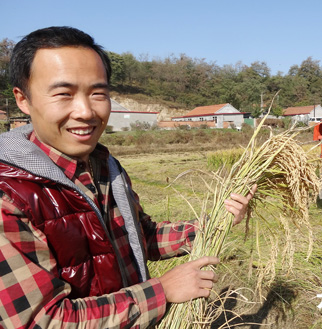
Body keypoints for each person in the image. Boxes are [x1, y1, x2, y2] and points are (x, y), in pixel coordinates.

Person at [0, 26, 256, 328]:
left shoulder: (105, 167)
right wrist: (161, 291)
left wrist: (218, 221)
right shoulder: (9, 193)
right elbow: (41, 321)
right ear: (23, 99)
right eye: (63, 94)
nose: (85, 111)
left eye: (98, 94)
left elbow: (140, 237)